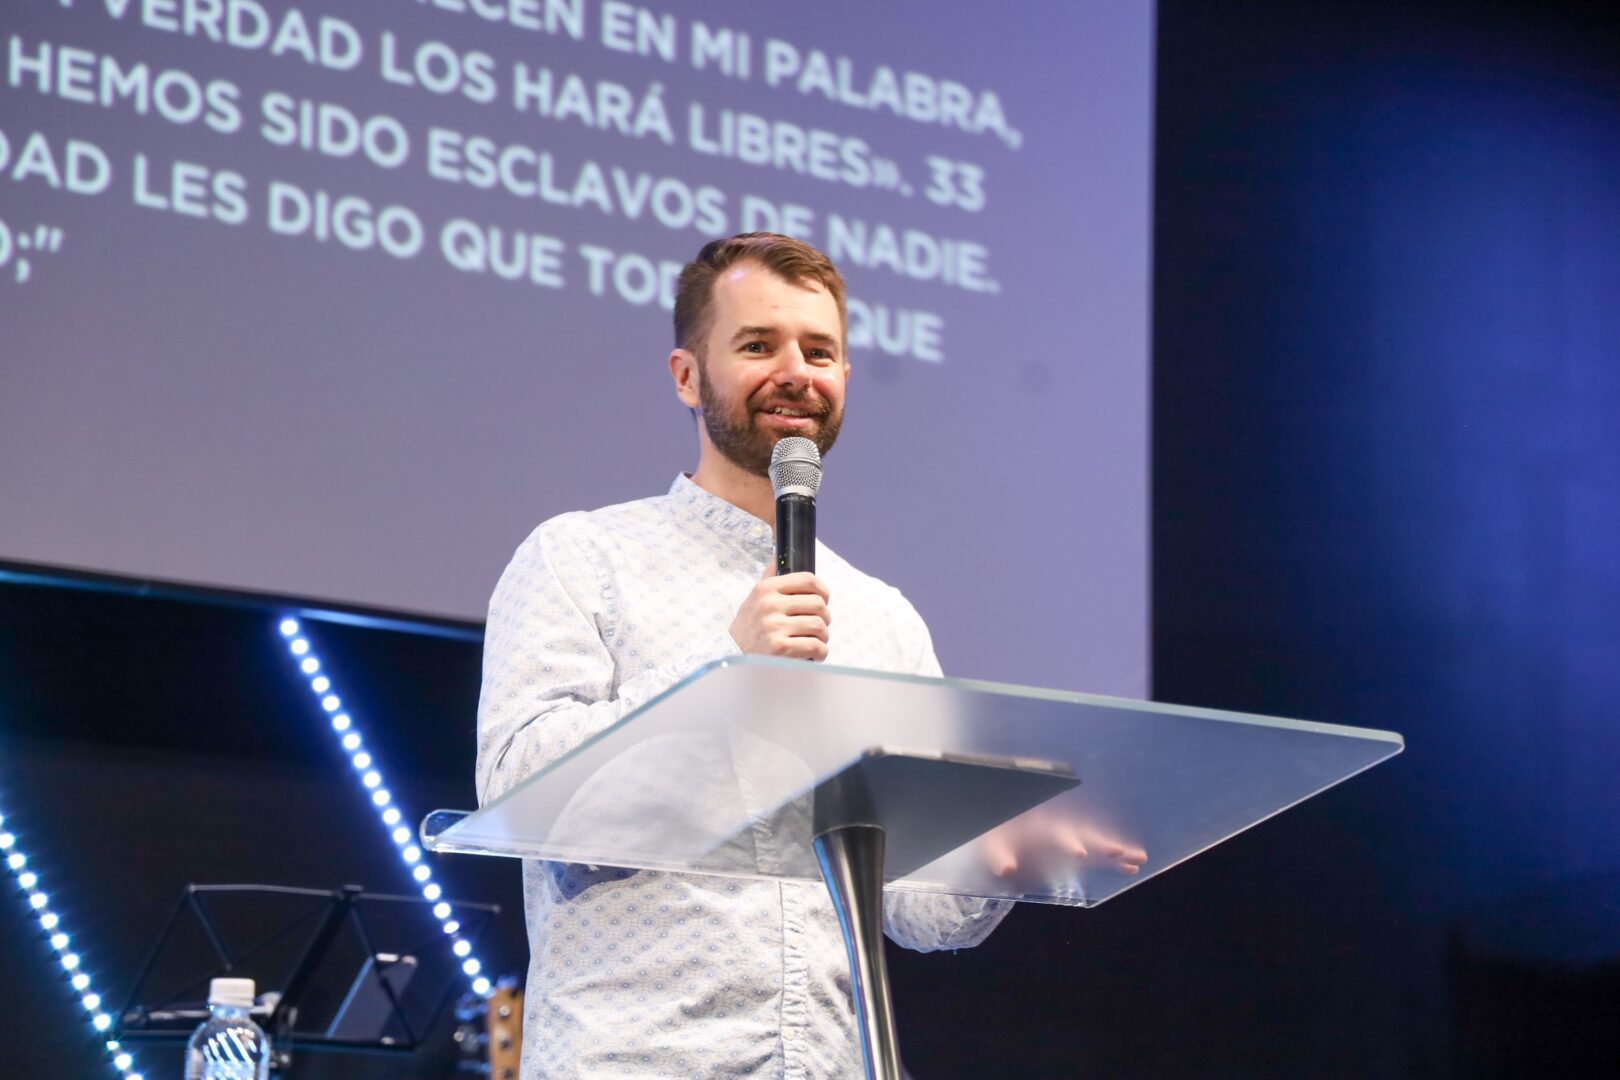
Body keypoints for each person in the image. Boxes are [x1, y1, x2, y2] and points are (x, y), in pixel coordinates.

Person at [476, 233, 1011, 1078]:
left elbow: (922, 915)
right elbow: (520, 799)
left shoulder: (884, 617)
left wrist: (1001, 844)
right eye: (758, 345)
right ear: (687, 376)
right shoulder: (581, 558)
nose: (795, 371)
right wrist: (721, 669)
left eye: (820, 350)